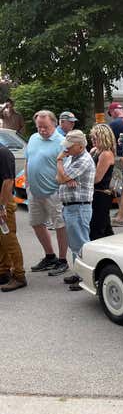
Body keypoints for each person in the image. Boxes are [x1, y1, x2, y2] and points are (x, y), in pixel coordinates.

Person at [24, 110, 69, 275]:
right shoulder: (33, 138)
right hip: (34, 191)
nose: (42, 130)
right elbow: (29, 160)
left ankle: (63, 260)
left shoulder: (62, 142)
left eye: (46, 127)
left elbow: (67, 168)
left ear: (54, 125)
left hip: (54, 191)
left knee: (60, 226)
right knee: (36, 223)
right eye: (39, 127)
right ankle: (50, 256)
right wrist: (28, 182)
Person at [55, 130, 96, 291]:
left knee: (80, 244)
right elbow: (59, 178)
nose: (65, 150)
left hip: (79, 206)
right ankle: (79, 274)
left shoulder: (84, 159)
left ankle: (85, 278)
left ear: (79, 146)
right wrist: (65, 177)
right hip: (71, 206)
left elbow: (62, 177)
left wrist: (59, 162)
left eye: (69, 147)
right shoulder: (72, 157)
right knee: (74, 243)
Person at [0, 142, 26, 292]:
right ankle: (3, 272)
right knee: (2, 240)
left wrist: (2, 206)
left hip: (3, 203)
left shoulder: (3, 153)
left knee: (9, 240)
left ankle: (19, 276)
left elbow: (8, 181)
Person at [88, 124, 116, 241]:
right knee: (105, 227)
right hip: (95, 193)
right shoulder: (95, 150)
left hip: (101, 194)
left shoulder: (106, 154)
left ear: (103, 138)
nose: (92, 141)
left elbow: (97, 178)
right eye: (92, 138)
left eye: (95, 138)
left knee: (97, 229)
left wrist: (81, 182)